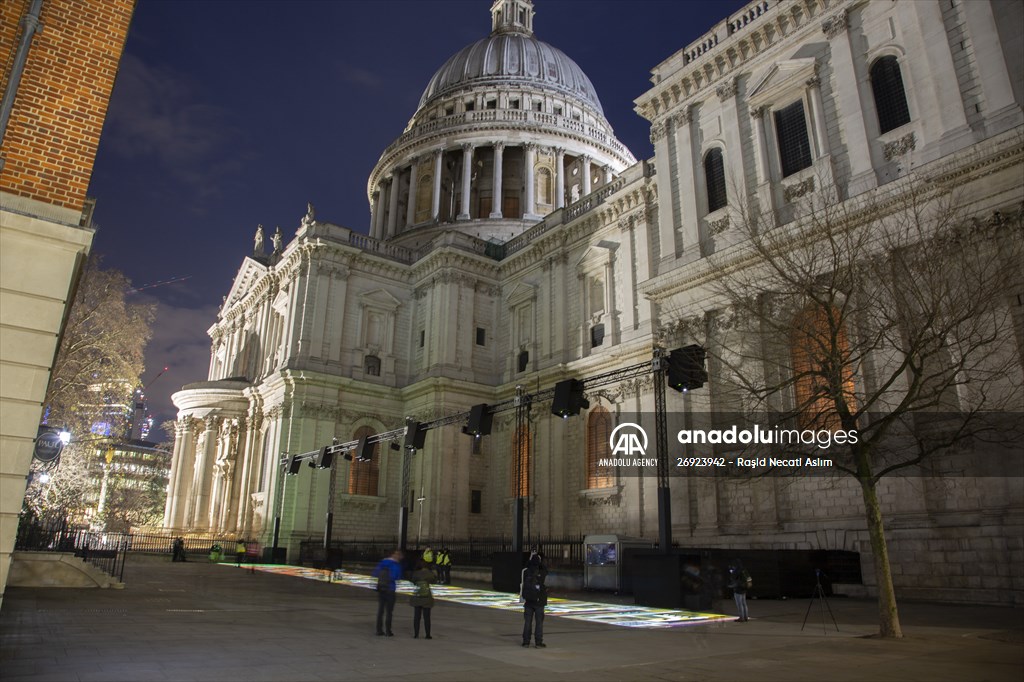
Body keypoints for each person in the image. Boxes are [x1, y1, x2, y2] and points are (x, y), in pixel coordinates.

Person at [372, 549, 403, 636]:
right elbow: (397, 577)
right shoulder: (396, 565)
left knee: (380, 610)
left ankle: (379, 630)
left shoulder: (382, 563)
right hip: (390, 589)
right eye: (398, 554)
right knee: (389, 611)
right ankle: (388, 631)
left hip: (381, 589)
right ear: (394, 555)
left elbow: (375, 574)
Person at [521, 551, 548, 648]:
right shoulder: (541, 572)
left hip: (528, 601)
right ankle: (538, 642)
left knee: (527, 622)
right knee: (539, 623)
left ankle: (526, 642)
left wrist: (531, 557)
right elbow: (545, 569)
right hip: (539, 601)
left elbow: (526, 565)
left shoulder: (526, 572)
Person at [408, 559, 435, 639]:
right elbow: (434, 580)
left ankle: (416, 634)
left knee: (417, 616)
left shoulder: (416, 573)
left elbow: (412, 581)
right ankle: (428, 634)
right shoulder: (430, 573)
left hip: (417, 595)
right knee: (427, 617)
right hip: (427, 596)